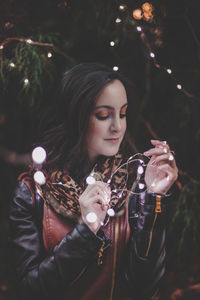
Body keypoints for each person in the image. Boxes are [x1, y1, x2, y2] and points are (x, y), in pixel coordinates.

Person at [9, 62, 178, 300]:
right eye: (103, 115)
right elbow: (29, 291)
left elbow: (144, 289)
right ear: (75, 116)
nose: (117, 127)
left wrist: (153, 199)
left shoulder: (132, 184)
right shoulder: (32, 190)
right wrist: (86, 231)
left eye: (123, 113)